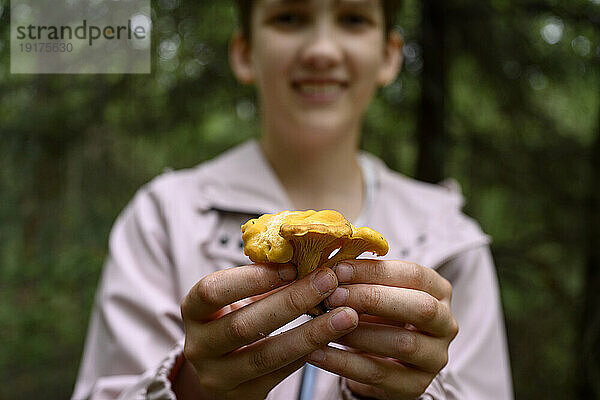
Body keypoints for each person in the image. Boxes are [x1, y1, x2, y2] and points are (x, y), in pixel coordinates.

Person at [72, 0, 513, 399]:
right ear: (245, 53)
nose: (322, 49)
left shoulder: (451, 241)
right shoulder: (164, 217)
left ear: (388, 56)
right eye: (288, 17)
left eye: (354, 19)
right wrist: (190, 388)